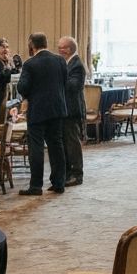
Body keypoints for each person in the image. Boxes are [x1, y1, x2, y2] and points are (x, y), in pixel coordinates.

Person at [16, 32, 68, 196]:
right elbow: (64, 81)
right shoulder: (60, 60)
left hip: (38, 110)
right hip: (57, 108)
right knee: (56, 145)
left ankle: (36, 186)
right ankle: (59, 183)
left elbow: (22, 88)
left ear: (31, 44)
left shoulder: (30, 64)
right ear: (46, 43)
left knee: (36, 147)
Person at [57, 36, 86, 187]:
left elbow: (74, 86)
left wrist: (57, 79)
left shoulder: (77, 65)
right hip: (65, 110)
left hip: (72, 110)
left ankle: (76, 174)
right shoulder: (67, 63)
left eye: (61, 47)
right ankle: (67, 173)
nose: (58, 50)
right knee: (66, 143)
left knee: (72, 144)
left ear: (69, 49)